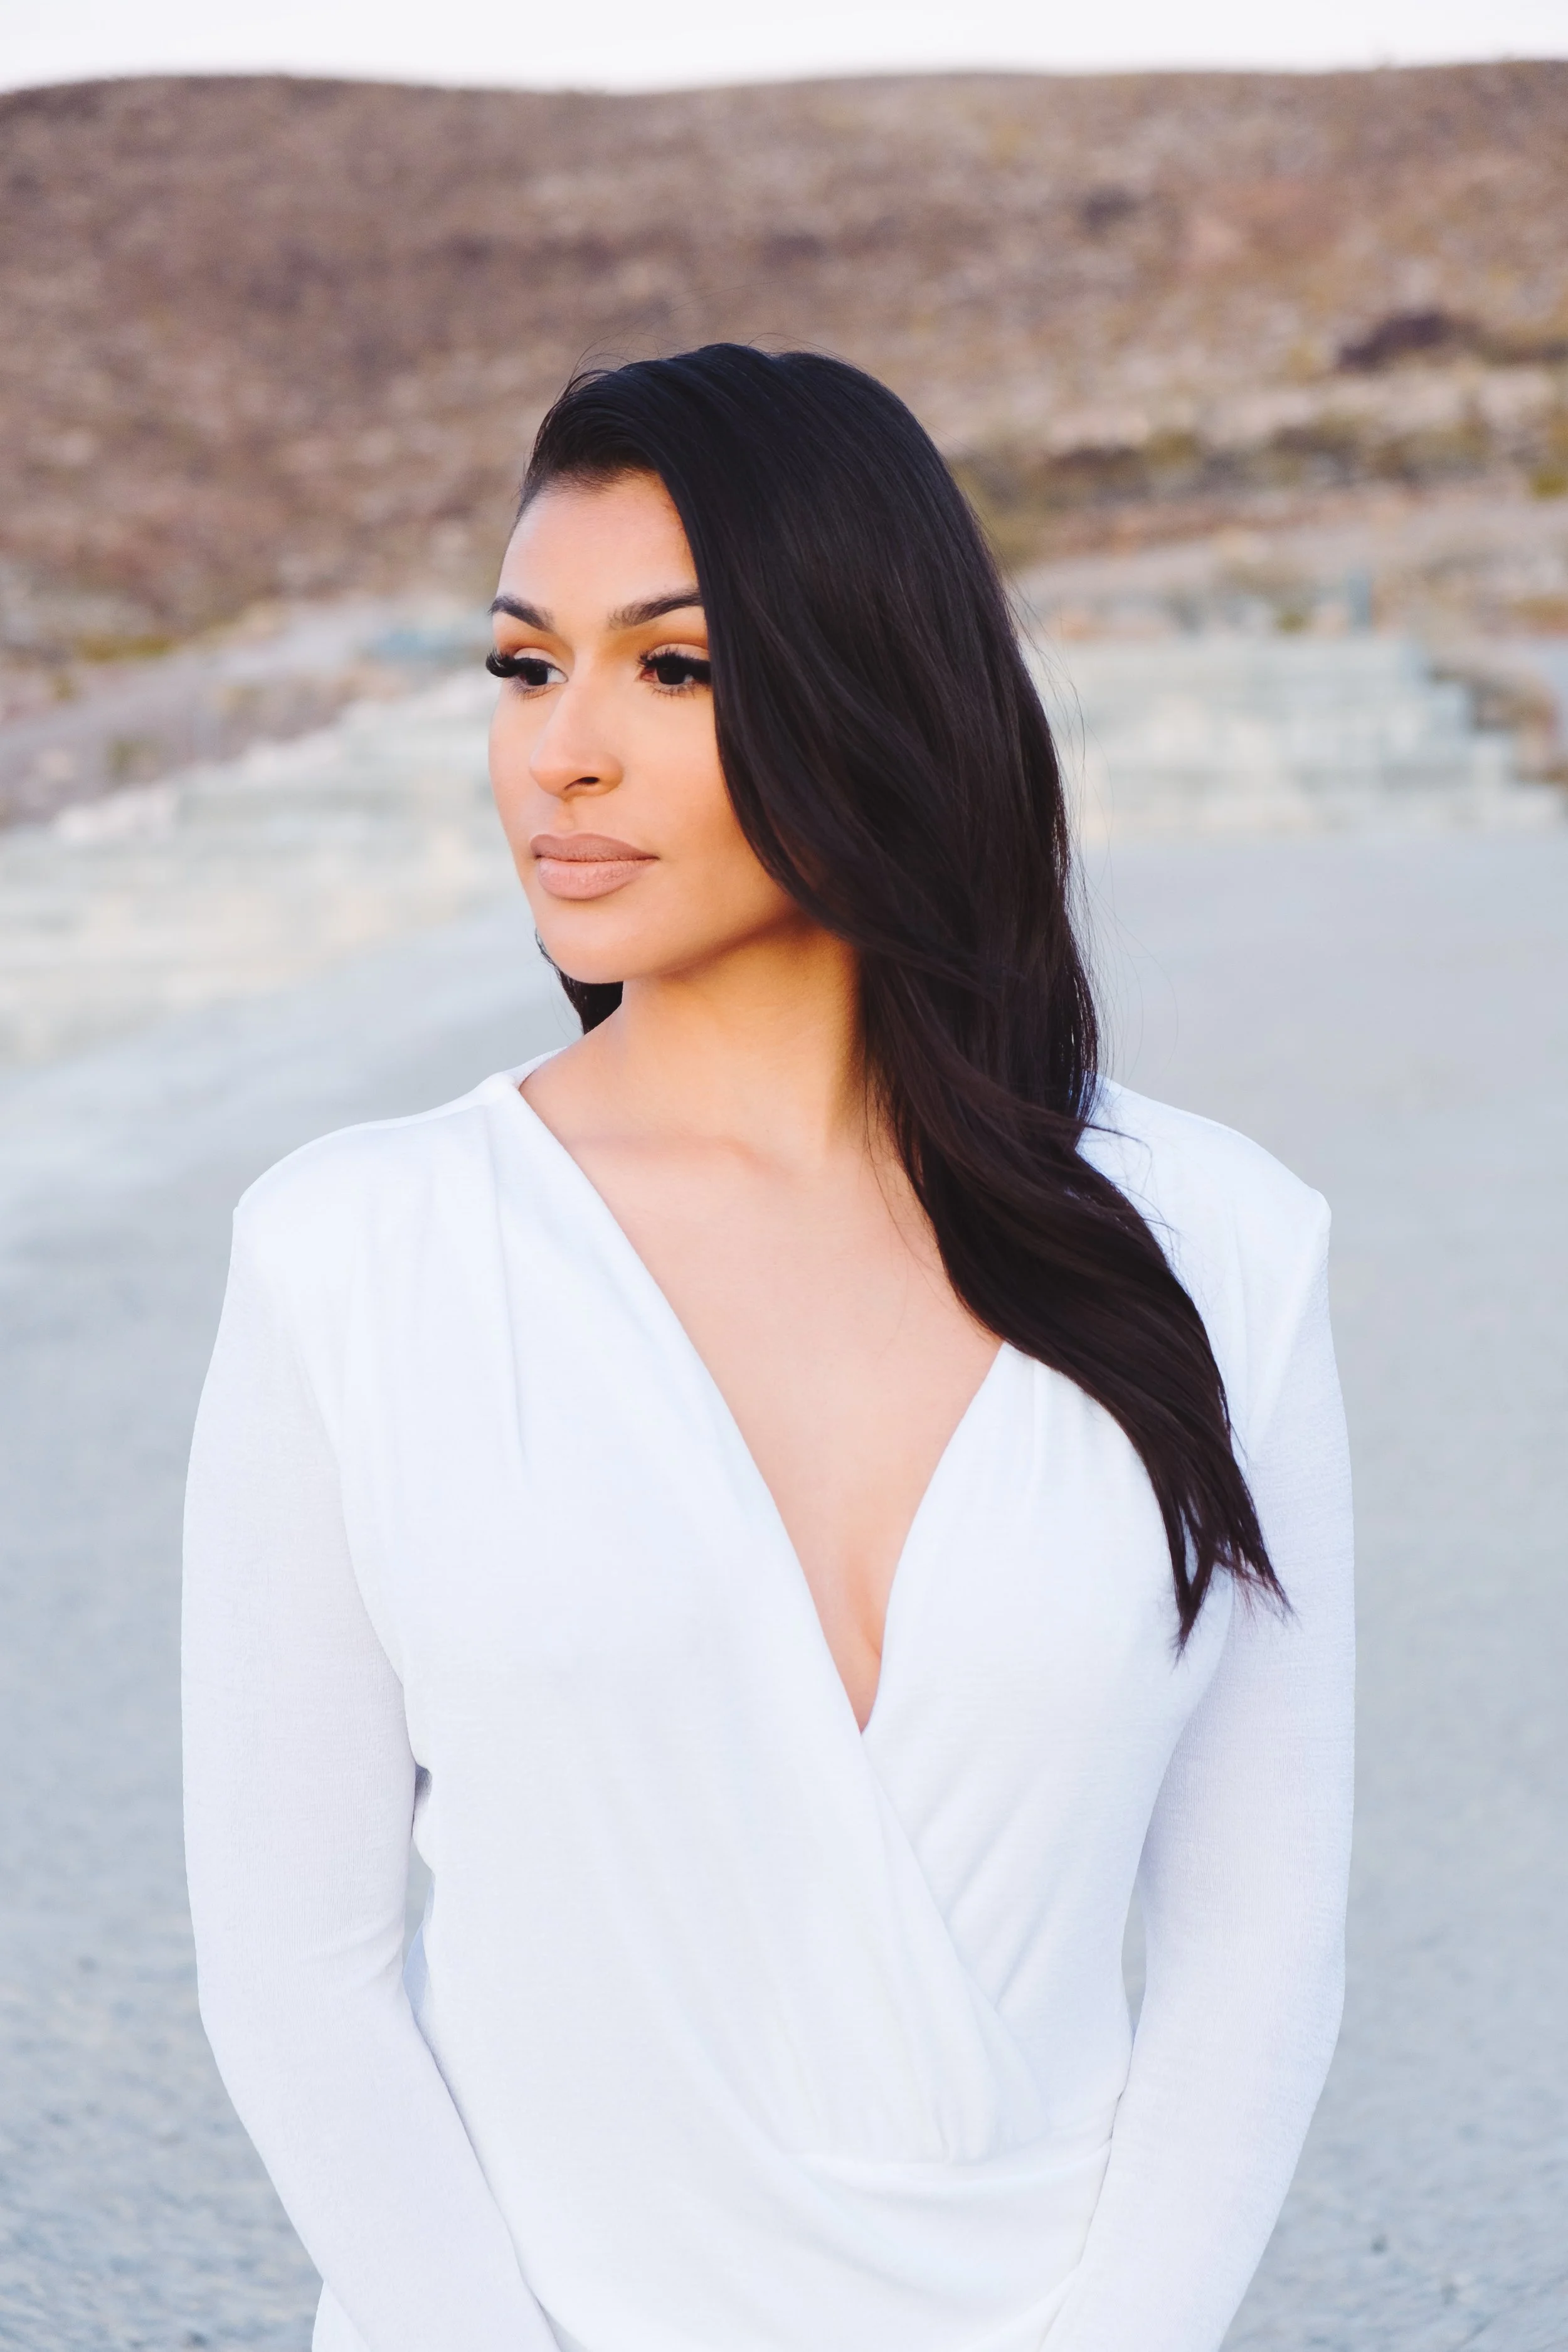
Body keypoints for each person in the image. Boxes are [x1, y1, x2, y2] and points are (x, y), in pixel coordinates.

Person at [183, 344, 1354, 2352]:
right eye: (521, 665)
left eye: (673, 667)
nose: (560, 750)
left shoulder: (1215, 1246)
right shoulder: (353, 1255)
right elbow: (298, 1968)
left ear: (871, 690)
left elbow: (1256, 1946)